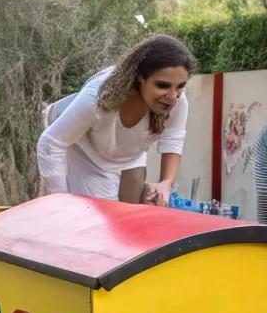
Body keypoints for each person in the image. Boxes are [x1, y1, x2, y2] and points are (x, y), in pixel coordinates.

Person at [37, 34, 194, 204]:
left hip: (127, 154)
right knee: (94, 215)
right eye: (162, 85)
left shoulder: (177, 101)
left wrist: (166, 184)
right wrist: (61, 200)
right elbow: (51, 143)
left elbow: (173, 140)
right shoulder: (98, 97)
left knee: (135, 209)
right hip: (82, 148)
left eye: (180, 86)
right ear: (141, 76)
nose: (172, 96)